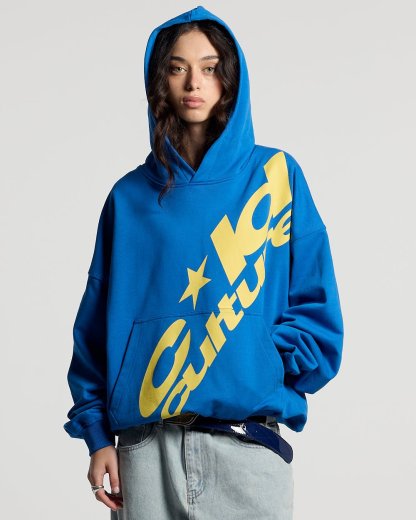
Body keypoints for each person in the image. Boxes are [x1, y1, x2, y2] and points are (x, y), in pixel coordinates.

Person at [63, 5, 344, 519]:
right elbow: (94, 330)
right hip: (144, 453)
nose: (194, 82)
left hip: (247, 447)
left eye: (210, 68)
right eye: (178, 67)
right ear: (160, 81)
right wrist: (97, 436)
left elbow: (316, 306)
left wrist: (255, 359)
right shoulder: (127, 198)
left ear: (230, 80)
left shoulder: (276, 177)